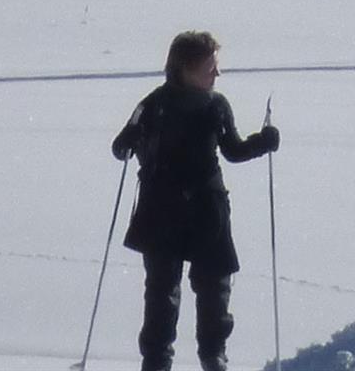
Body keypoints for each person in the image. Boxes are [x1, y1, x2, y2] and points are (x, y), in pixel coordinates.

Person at [112, 29, 276, 371]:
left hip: (206, 206)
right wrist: (128, 139)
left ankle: (213, 356)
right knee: (161, 291)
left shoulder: (216, 105)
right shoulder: (154, 104)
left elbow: (233, 150)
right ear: (185, 68)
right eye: (210, 67)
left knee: (215, 285)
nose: (217, 73)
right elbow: (120, 147)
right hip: (161, 207)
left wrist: (263, 142)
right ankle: (157, 361)